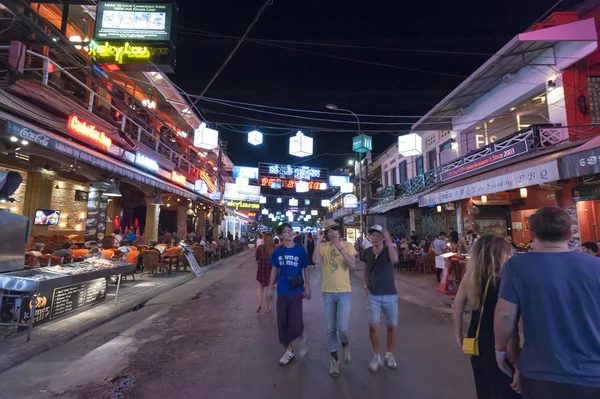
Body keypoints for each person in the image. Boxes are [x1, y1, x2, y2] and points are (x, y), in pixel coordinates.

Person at [494, 207, 600, 399]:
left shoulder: (517, 267)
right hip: (593, 376)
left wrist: (502, 351)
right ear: (569, 234)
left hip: (541, 375)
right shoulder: (596, 266)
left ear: (532, 232)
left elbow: (506, 315)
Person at [453, 234, 520, 399]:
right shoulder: (506, 278)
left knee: (483, 383)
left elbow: (457, 306)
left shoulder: (471, 275)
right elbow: (507, 318)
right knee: (505, 385)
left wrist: (458, 333)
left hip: (476, 335)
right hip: (500, 337)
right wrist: (518, 362)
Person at [313, 219, 357, 378]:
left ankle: (345, 342)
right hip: (327, 292)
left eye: (334, 230)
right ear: (325, 234)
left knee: (343, 328)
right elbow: (316, 261)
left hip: (344, 292)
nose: (332, 233)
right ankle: (334, 360)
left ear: (339, 231)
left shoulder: (348, 245)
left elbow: (352, 265)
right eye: (328, 231)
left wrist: (341, 250)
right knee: (330, 329)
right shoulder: (323, 247)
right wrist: (318, 242)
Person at [267, 223, 311, 366]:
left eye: (290, 231)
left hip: (296, 290)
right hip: (282, 290)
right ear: (280, 236)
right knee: (283, 321)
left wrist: (307, 286)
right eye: (286, 232)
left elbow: (306, 268)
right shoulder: (278, 252)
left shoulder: (300, 250)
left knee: (295, 319)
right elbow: (274, 270)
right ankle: (289, 350)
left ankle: (301, 335)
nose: (289, 233)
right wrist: (269, 287)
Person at [361, 225, 400, 372]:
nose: (375, 237)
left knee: (391, 326)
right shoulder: (366, 252)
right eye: (372, 235)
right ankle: (377, 355)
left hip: (390, 294)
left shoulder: (390, 250)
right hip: (373, 294)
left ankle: (389, 354)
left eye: (378, 235)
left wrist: (389, 241)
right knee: (373, 325)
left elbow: (395, 260)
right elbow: (365, 271)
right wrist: (365, 287)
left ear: (383, 237)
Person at [256, 233, 276, 313]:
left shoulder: (260, 248)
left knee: (260, 287)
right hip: (271, 271)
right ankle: (268, 307)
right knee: (269, 288)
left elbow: (257, 259)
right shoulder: (274, 249)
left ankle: (260, 304)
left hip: (262, 270)